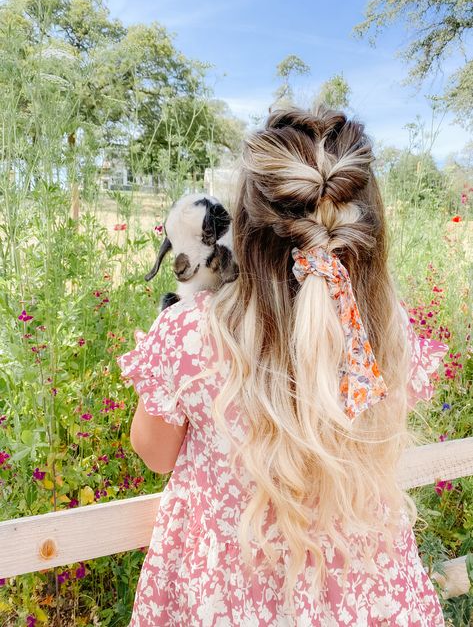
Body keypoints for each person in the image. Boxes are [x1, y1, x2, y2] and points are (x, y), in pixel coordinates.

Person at [116, 105, 448, 626]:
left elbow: (155, 454)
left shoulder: (190, 330)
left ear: (242, 227)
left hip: (229, 592)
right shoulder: (384, 328)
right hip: (367, 593)